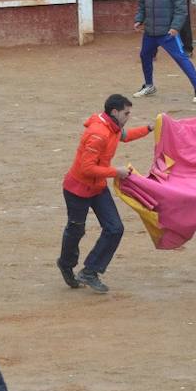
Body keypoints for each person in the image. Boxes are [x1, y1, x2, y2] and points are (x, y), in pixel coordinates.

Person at [59, 93, 152, 293]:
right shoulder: (98, 134)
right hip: (77, 189)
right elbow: (86, 168)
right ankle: (66, 264)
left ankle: (90, 271)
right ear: (115, 112)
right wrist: (115, 172)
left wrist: (149, 129)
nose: (128, 117)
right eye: (126, 113)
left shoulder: (113, 127)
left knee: (115, 228)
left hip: (97, 187)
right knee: (76, 230)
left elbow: (125, 136)